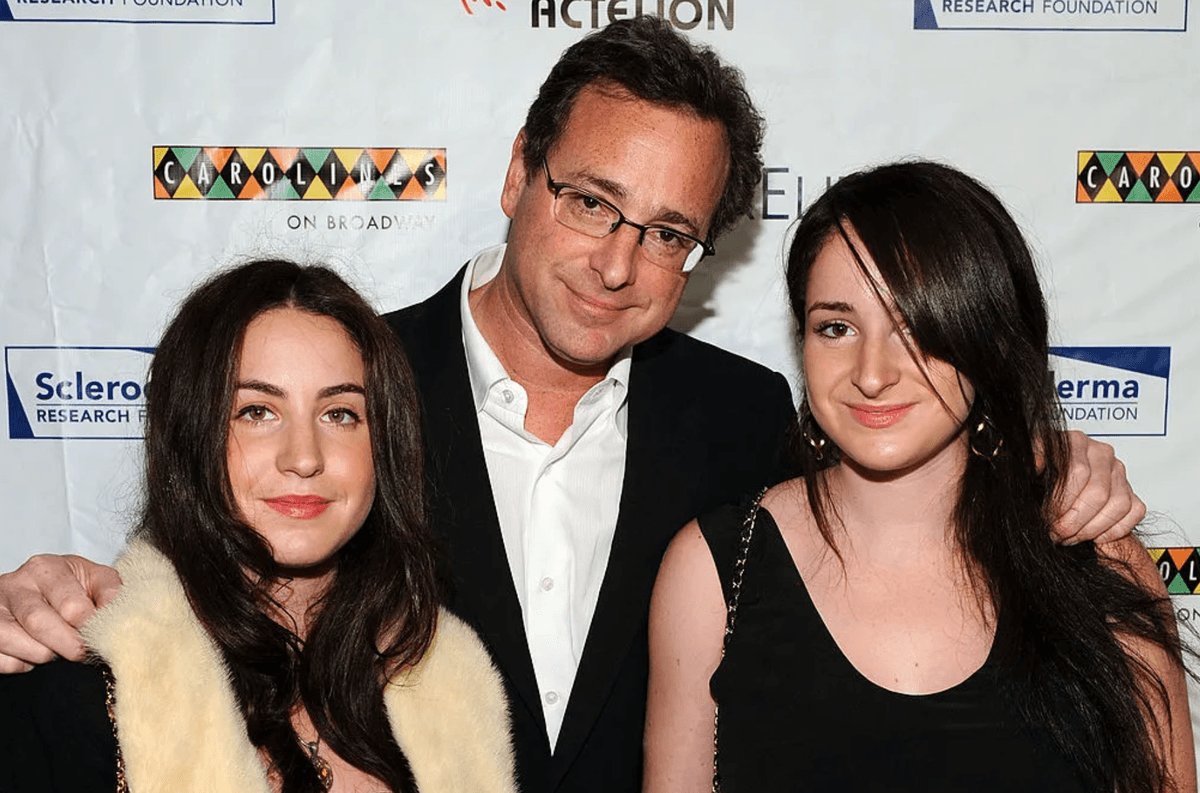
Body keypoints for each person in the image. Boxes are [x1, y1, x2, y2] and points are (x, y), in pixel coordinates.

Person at [0, 18, 1145, 793]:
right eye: (592, 201)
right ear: (516, 174)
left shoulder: (742, 417)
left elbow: (903, 457)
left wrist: (1051, 453)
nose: (615, 262)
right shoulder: (354, 395)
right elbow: (208, 603)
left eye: (667, 232)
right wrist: (55, 590)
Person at [643, 161, 1194, 792]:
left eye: (916, 329)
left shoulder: (1096, 553)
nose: (872, 373)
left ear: (986, 339)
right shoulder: (714, 572)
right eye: (837, 327)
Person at [0, 260, 516, 793]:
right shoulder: (76, 692)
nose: (303, 457)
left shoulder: (452, 688)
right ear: (192, 436)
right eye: (256, 411)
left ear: (383, 446)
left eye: (339, 413)